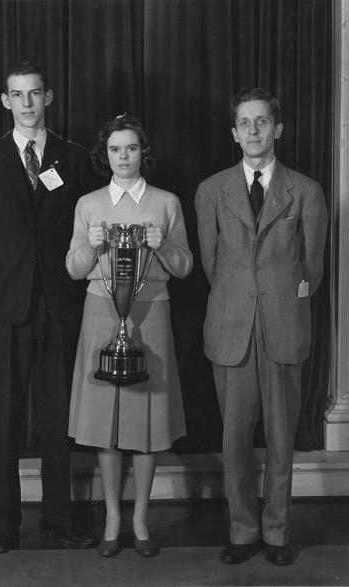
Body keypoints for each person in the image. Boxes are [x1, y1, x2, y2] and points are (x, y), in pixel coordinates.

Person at [0, 60, 97, 553]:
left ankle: (59, 522)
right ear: (5, 101)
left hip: (58, 307)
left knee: (56, 419)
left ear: (49, 97)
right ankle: (6, 526)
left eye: (35, 93)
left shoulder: (74, 159)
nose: (26, 103)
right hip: (5, 310)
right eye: (17, 95)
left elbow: (83, 232)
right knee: (6, 417)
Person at [195, 88, 328, 566]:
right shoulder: (211, 191)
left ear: (278, 129)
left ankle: (276, 532)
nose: (253, 131)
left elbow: (311, 270)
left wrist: (275, 300)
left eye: (262, 122)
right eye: (245, 124)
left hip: (283, 330)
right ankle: (242, 529)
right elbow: (213, 265)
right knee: (234, 439)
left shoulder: (306, 192)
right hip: (231, 330)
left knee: (280, 438)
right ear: (234, 133)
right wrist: (241, 299)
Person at [66, 114, 192, 557]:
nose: (124, 156)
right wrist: (91, 246)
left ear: (143, 152)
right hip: (101, 312)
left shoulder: (166, 202)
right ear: (106, 155)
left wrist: (164, 245)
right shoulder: (88, 204)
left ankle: (140, 522)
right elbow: (73, 267)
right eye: (116, 149)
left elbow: (185, 267)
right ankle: (112, 520)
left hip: (151, 311)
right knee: (105, 424)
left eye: (132, 148)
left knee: (147, 422)